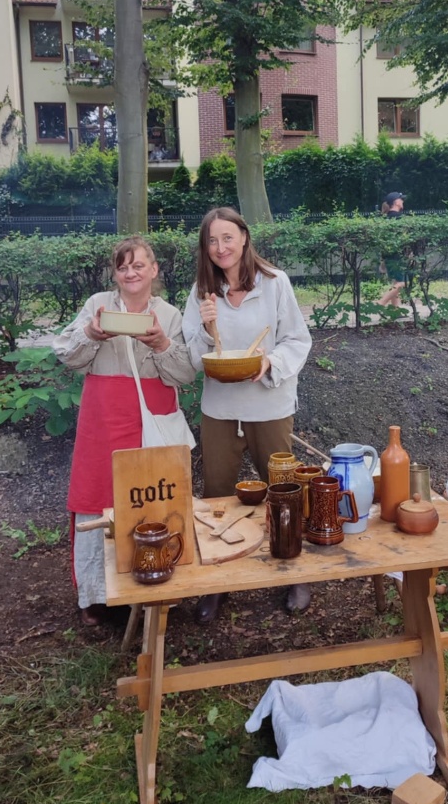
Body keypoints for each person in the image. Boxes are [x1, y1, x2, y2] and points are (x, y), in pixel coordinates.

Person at [54, 236, 197, 626]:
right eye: (122, 267)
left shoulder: (169, 315)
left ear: (154, 270)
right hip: (102, 416)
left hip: (152, 415)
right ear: (114, 274)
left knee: (153, 495)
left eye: (138, 265)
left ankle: (156, 582)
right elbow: (66, 354)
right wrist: (92, 334)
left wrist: (162, 343)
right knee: (96, 495)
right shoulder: (97, 306)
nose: (130, 273)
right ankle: (97, 595)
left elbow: (185, 373)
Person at [182, 207, 312, 625]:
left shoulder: (275, 283)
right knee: (217, 494)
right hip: (220, 408)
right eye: (212, 240)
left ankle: (294, 571)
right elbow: (192, 355)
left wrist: (270, 362)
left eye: (227, 237)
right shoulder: (203, 291)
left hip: (268, 405)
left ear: (243, 237)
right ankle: (218, 582)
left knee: (283, 489)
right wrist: (206, 329)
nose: (220, 247)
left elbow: (297, 339)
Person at [378, 191, 407, 307]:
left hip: (388, 255)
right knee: (402, 282)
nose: (402, 201)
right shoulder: (399, 218)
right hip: (398, 255)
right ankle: (380, 304)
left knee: (396, 282)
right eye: (401, 199)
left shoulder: (385, 219)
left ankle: (396, 310)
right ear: (396, 202)